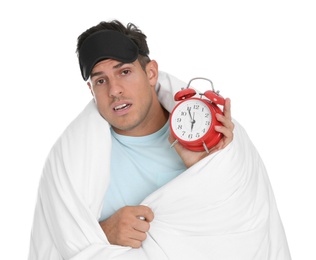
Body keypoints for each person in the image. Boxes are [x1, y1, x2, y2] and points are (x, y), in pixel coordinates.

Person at [28, 20, 291, 259]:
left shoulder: (217, 136)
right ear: (91, 90)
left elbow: (248, 233)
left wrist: (208, 167)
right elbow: (58, 243)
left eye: (125, 72)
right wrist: (103, 233)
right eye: (100, 80)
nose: (114, 90)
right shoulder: (71, 162)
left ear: (151, 73)